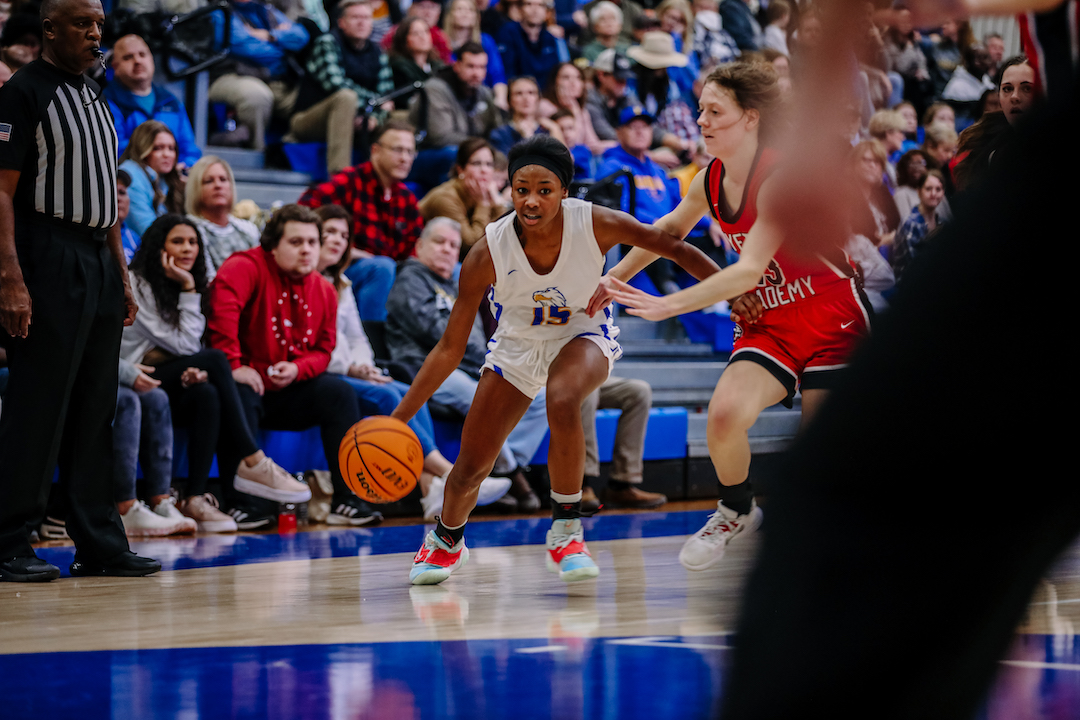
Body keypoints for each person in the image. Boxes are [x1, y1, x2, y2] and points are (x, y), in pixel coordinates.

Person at [392, 135, 720, 586]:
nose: (531, 200)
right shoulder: (488, 250)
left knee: (563, 395)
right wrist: (399, 419)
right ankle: (448, 539)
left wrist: (735, 293)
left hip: (584, 333)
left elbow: (676, 247)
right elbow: (449, 349)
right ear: (509, 189)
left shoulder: (596, 223)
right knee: (470, 466)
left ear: (564, 190)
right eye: (521, 189)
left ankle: (566, 530)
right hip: (517, 346)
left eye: (544, 189)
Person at [592, 60, 872, 573]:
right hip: (772, 323)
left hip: (833, 319)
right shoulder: (708, 179)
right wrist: (616, 281)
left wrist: (670, 303)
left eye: (714, 111)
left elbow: (747, 269)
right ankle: (737, 508)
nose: (700, 121)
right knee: (723, 417)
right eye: (700, 109)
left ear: (751, 117)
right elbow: (666, 233)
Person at [0, 0, 159, 581]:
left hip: (96, 252)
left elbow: (105, 199)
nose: (96, 33)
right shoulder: (23, 91)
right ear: (48, 29)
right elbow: (1, 193)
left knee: (98, 406)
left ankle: (97, 540)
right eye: (82, 23)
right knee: (38, 405)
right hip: (46, 251)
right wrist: (11, 279)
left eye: (98, 23)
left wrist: (120, 271)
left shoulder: (96, 97)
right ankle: (8, 541)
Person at [315, 206, 512, 520]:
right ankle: (452, 475)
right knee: (392, 395)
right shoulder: (314, 282)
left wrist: (364, 364)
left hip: (353, 368)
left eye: (343, 234)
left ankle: (435, 487)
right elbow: (319, 344)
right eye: (329, 234)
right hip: (327, 371)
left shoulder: (341, 283)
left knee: (408, 393)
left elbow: (356, 338)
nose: (337, 241)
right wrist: (352, 367)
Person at [123, 214, 307, 532]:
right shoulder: (137, 282)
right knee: (217, 361)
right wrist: (189, 286)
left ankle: (194, 498)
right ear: (158, 247)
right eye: (177, 241)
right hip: (129, 373)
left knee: (207, 394)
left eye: (193, 242)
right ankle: (252, 459)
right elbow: (186, 344)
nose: (187, 249)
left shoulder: (181, 282)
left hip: (164, 375)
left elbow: (185, 348)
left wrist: (194, 366)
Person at [207, 203, 382, 526]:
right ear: (272, 245)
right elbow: (222, 319)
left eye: (312, 243)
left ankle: (346, 501)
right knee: (240, 390)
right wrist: (235, 365)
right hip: (246, 381)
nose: (307, 250)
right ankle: (243, 504)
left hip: (289, 387)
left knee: (339, 392)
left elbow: (324, 350)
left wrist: (298, 368)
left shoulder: (325, 290)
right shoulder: (243, 266)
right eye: (296, 242)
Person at [386, 216, 550, 515]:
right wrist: (487, 359)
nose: (448, 250)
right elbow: (439, 335)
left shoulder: (457, 283)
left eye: (453, 245)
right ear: (420, 246)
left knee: (540, 397)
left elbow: (474, 338)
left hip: (468, 366)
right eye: (439, 242)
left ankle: (495, 473)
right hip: (424, 369)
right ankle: (514, 479)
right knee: (484, 399)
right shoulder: (410, 278)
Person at [298, 120, 424, 357]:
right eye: (398, 150)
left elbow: (413, 251)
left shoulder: (406, 199)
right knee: (381, 267)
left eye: (410, 152)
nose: (405, 158)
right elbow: (304, 212)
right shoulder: (349, 182)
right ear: (375, 150)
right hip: (346, 271)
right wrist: (350, 251)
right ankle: (375, 352)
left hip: (390, 275)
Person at [289, 0, 396, 177]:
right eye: (355, 17)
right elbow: (335, 84)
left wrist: (374, 119)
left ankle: (390, 182)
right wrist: (374, 105)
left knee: (402, 118)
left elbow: (388, 96)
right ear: (341, 22)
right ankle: (340, 178)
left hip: (358, 118)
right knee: (346, 98)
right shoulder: (327, 43)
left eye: (366, 17)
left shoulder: (378, 52)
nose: (362, 22)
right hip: (308, 119)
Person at [596, 106, 682, 294]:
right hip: (635, 236)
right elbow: (619, 209)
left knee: (713, 239)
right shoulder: (612, 167)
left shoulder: (659, 170)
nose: (640, 131)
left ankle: (717, 304)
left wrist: (710, 224)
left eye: (644, 126)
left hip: (667, 232)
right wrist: (658, 224)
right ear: (618, 132)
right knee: (656, 239)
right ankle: (672, 301)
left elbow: (681, 205)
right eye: (632, 126)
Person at [209, 0, 310, 150]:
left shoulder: (264, 9)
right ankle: (257, 152)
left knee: (311, 95)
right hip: (229, 75)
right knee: (257, 95)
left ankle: (289, 155)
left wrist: (271, 36)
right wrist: (284, 46)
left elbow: (302, 35)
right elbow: (250, 50)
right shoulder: (220, 12)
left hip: (273, 79)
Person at [407, 41, 502, 194]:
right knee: (454, 154)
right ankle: (455, 204)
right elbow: (441, 137)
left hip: (468, 150)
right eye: (470, 66)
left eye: (481, 67)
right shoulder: (436, 88)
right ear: (457, 66)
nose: (476, 73)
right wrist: (481, 149)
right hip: (426, 155)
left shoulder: (484, 92)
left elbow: (497, 130)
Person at [105, 34, 201, 169]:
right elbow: (115, 149)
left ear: (151, 59)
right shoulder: (106, 101)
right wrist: (159, 160)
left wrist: (184, 167)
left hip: (171, 180)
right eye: (128, 57)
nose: (137, 60)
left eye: (142, 55)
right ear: (115, 67)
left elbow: (190, 150)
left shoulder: (171, 102)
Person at [419, 138, 509, 254]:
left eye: (489, 164)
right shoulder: (445, 198)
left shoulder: (482, 193)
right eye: (477, 163)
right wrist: (483, 205)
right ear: (460, 169)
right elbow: (470, 246)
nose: (484, 170)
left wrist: (497, 202)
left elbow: (503, 236)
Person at [184, 155, 261, 277]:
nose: (218, 185)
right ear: (195, 188)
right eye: (209, 181)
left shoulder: (248, 230)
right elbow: (208, 279)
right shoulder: (190, 230)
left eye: (223, 179)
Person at [118, 120, 185, 237]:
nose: (167, 154)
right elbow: (148, 230)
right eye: (158, 148)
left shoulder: (164, 178)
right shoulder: (131, 175)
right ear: (142, 149)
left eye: (171, 148)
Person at [442, 0, 507, 109]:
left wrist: (500, 99)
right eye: (459, 9)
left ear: (476, 16)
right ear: (449, 15)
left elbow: (497, 74)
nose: (465, 13)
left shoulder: (486, 41)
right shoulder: (441, 41)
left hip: (481, 97)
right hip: (448, 98)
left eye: (470, 10)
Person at [890, 169, 945, 284]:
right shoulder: (910, 223)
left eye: (938, 189)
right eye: (928, 189)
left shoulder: (941, 222)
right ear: (919, 192)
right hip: (909, 285)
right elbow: (915, 266)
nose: (933, 194)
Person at [489, 75, 563, 157]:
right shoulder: (499, 135)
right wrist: (527, 138)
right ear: (510, 100)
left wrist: (556, 130)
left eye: (531, 93)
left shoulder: (547, 130)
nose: (526, 98)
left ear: (538, 99)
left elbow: (564, 164)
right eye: (519, 93)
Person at [496, 0, 564, 83]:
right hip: (518, 90)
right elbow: (507, 72)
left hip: (546, 92)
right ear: (520, 9)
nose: (535, 9)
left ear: (546, 11)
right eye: (529, 4)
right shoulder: (507, 33)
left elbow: (555, 72)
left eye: (540, 5)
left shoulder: (549, 37)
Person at [387, 16, 445, 106]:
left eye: (426, 32)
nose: (423, 37)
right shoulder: (399, 66)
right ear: (404, 39)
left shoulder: (438, 66)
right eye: (415, 33)